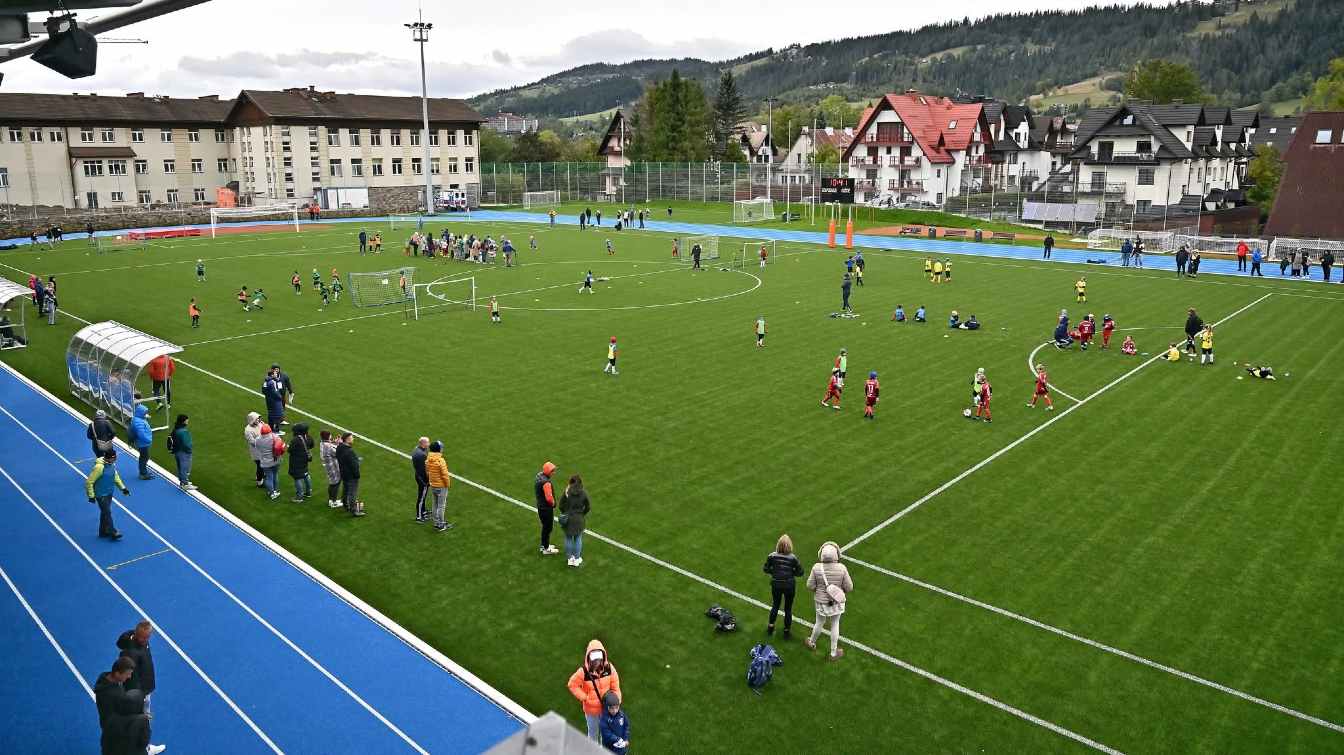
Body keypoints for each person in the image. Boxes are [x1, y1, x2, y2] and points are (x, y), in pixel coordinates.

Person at [95, 656, 165, 755]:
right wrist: (138, 718)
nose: (129, 677)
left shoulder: (112, 681)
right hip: (115, 736)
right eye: (127, 674)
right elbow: (109, 721)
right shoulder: (109, 695)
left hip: (115, 736)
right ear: (117, 673)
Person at [805, 541, 852, 660]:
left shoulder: (816, 567)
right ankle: (833, 652)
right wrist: (838, 592)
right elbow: (849, 587)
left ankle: (811, 641)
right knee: (835, 624)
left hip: (820, 602)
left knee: (819, 622)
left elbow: (810, 585)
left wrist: (819, 591)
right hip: (836, 602)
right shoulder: (842, 568)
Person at [567, 640, 621, 744]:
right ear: (589, 659)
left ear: (603, 658)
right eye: (594, 660)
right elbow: (572, 684)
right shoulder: (583, 672)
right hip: (591, 712)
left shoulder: (610, 668)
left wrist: (616, 701)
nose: (597, 662)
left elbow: (616, 687)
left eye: (599, 659)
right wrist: (584, 697)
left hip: (607, 710)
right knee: (593, 733)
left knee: (606, 734)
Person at [763, 534, 804, 638]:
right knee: (788, 609)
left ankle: (770, 627)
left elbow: (766, 569)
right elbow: (800, 572)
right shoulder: (793, 558)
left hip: (776, 584)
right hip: (789, 585)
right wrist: (790, 574)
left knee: (775, 605)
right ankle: (786, 631)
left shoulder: (772, 556)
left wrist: (775, 573)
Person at [85, 450, 130, 540]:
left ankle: (102, 532)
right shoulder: (99, 468)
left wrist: (123, 488)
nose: (116, 458)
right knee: (107, 512)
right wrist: (91, 496)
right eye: (115, 457)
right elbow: (89, 482)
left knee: (104, 513)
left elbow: (116, 477)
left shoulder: (112, 465)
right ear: (111, 458)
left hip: (109, 492)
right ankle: (113, 531)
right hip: (100, 494)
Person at [116, 620, 156, 717]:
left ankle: (144, 715)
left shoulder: (142, 642)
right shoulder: (131, 653)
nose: (147, 639)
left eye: (148, 637)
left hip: (146, 684)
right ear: (138, 636)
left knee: (146, 706)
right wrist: (138, 693)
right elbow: (130, 677)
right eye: (145, 637)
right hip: (138, 689)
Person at [559, 474, 591, 567]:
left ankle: (570, 559)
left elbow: (561, 505)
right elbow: (588, 507)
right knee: (578, 538)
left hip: (568, 518)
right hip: (579, 518)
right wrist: (582, 514)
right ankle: (577, 559)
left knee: (568, 538)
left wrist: (565, 513)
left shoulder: (567, 492)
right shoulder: (584, 493)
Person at [425, 440, 452, 532]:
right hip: (441, 486)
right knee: (441, 506)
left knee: (435, 504)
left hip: (433, 485)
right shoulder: (441, 461)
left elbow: (427, 472)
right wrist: (447, 484)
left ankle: (436, 522)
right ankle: (441, 524)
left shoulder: (428, 459)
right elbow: (445, 475)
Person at [336, 432, 365, 516]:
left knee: (345, 490)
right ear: (347, 439)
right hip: (351, 475)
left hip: (343, 473)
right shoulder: (350, 451)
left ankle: (345, 504)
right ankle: (354, 511)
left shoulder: (339, 447)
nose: (353, 439)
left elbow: (343, 459)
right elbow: (354, 466)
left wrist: (356, 459)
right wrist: (357, 475)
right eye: (352, 438)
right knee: (352, 493)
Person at [535, 461, 559, 555]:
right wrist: (553, 504)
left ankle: (544, 545)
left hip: (540, 506)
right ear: (548, 471)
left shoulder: (539, 476)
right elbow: (549, 498)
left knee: (545, 527)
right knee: (548, 528)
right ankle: (545, 548)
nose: (554, 473)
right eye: (552, 471)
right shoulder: (546, 483)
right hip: (546, 508)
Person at [254, 423, 282, 501]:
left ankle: (271, 493)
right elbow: (280, 446)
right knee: (275, 474)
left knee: (269, 477)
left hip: (265, 462)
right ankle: (275, 490)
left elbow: (257, 448)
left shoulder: (258, 440)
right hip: (276, 460)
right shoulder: (275, 437)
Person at [168, 414, 194, 490]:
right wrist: (190, 451)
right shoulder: (183, 431)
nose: (188, 421)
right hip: (183, 452)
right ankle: (184, 483)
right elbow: (187, 444)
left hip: (177, 451)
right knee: (185, 468)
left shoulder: (176, 429)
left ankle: (183, 481)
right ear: (183, 421)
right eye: (187, 420)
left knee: (181, 467)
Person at [287, 423, 313, 502]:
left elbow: (289, 450)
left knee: (297, 477)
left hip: (296, 461)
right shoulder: (308, 437)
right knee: (305, 474)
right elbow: (312, 445)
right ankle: (308, 492)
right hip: (305, 460)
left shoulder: (296, 440)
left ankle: (299, 496)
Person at [128, 404, 154, 480]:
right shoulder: (138, 422)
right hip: (142, 444)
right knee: (144, 458)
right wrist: (148, 439)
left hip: (142, 443)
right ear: (141, 413)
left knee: (144, 457)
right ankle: (143, 474)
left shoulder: (137, 419)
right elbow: (141, 434)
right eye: (145, 413)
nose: (146, 414)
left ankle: (144, 472)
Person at [599, 690, 629, 755]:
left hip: (621, 747)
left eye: (616, 707)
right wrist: (617, 739)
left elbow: (626, 727)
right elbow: (606, 733)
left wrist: (625, 739)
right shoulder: (604, 719)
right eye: (612, 708)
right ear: (607, 707)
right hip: (609, 747)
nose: (614, 710)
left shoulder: (622, 715)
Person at [319, 430, 342, 508]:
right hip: (333, 468)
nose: (331, 437)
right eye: (330, 435)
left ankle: (331, 500)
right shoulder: (327, 446)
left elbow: (332, 447)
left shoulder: (323, 443)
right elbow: (338, 453)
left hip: (329, 467)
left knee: (332, 483)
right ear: (328, 436)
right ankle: (334, 501)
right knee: (336, 483)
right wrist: (340, 443)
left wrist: (336, 442)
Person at [411, 436, 431, 523]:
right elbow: (424, 470)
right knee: (421, 497)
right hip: (422, 479)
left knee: (422, 496)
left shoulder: (417, 449)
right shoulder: (422, 455)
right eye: (427, 443)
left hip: (419, 476)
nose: (429, 444)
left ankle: (423, 511)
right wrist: (427, 481)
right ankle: (419, 516)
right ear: (423, 444)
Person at [244, 412, 265, 488]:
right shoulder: (248, 430)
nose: (259, 420)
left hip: (263, 448)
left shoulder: (260, 424)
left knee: (263, 465)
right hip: (256, 451)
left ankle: (260, 476)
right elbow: (252, 442)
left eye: (259, 418)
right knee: (260, 466)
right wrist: (263, 439)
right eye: (257, 419)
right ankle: (259, 482)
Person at [262, 367, 286, 433]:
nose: (276, 374)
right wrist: (280, 397)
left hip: (269, 400)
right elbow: (276, 392)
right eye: (275, 373)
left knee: (271, 414)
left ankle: (271, 429)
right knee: (278, 415)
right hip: (275, 401)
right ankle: (276, 430)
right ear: (272, 375)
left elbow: (263, 391)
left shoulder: (266, 381)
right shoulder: (272, 382)